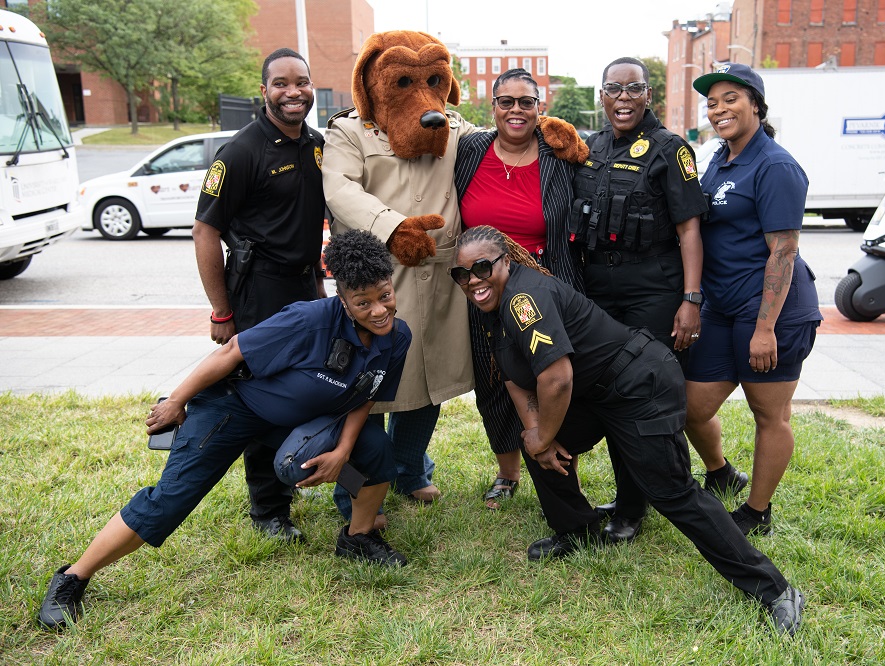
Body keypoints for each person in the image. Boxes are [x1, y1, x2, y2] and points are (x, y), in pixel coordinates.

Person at [38, 230, 412, 630]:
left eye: (384, 295)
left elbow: (363, 397)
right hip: (234, 408)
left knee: (375, 450)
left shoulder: (397, 337)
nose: (378, 310)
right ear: (342, 300)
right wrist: (176, 401)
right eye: (363, 302)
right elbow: (232, 352)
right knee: (171, 499)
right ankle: (73, 577)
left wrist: (342, 453)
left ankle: (357, 538)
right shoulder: (308, 320)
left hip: (293, 423)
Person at [450, 225, 805, 636]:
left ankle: (775, 589)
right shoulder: (491, 307)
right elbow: (516, 377)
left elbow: (557, 379)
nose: (472, 280)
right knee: (538, 442)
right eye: (462, 274)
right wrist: (535, 433)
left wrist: (542, 436)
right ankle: (579, 530)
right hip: (599, 392)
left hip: (641, 385)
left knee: (673, 492)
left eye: (481, 268)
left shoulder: (524, 299)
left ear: (506, 262)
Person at [569, 57, 711, 542]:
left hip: (653, 287)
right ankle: (633, 492)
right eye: (614, 89)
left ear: (649, 95)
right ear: (601, 96)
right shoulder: (589, 146)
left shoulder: (672, 150)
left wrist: (691, 298)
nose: (624, 98)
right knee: (609, 389)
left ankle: (636, 505)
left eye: (634, 89)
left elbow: (689, 228)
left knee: (642, 396)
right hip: (599, 289)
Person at [192, 47, 327, 542]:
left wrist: (316, 283)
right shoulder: (242, 151)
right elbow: (205, 232)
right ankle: (268, 510)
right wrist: (221, 310)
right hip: (257, 291)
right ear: (264, 91)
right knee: (264, 396)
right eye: (281, 83)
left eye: (302, 82)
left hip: (302, 285)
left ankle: (290, 477)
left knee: (304, 387)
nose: (294, 92)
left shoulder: (314, 143)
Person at [686, 64, 823, 537]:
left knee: (770, 414)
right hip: (720, 306)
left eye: (730, 99)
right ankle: (721, 471)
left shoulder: (775, 165)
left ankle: (756, 511)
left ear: (757, 106)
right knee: (690, 407)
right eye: (712, 101)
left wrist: (765, 328)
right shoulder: (721, 160)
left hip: (771, 311)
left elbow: (783, 251)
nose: (719, 109)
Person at [454, 68, 585, 510]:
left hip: (541, 285)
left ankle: (561, 470)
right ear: (492, 108)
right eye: (505, 101)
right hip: (480, 289)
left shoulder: (556, 153)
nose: (515, 110)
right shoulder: (470, 148)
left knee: (548, 376)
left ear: (538, 108)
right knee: (492, 381)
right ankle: (507, 473)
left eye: (525, 102)